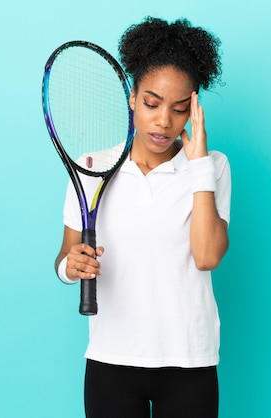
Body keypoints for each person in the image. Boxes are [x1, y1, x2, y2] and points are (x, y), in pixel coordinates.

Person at [54, 16, 231, 418]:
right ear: (132, 97)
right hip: (111, 359)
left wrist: (198, 160)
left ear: (194, 108)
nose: (164, 121)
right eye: (151, 103)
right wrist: (72, 267)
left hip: (189, 360)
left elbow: (206, 256)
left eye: (180, 108)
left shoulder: (211, 167)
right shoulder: (91, 167)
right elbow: (64, 258)